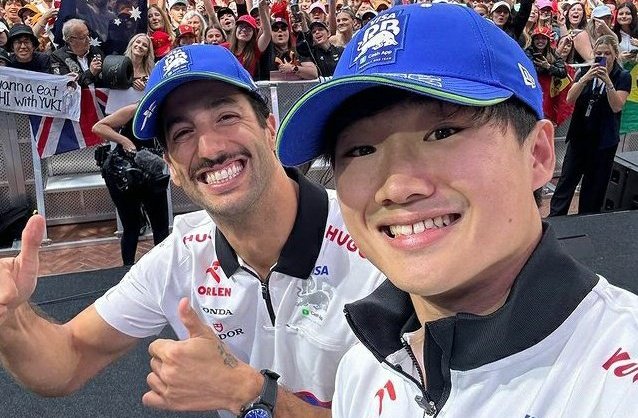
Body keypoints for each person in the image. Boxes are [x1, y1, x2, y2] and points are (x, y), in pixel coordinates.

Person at [276, 4, 638, 417]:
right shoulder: (362, 367)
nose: (397, 188)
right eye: (360, 150)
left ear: (537, 154)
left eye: (442, 133)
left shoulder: (620, 383)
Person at [0, 44, 383, 418]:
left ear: (270, 128)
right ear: (172, 167)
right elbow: (69, 360)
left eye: (226, 117)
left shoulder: (375, 241)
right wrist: (12, 320)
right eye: (182, 133)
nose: (210, 149)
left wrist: (248, 393)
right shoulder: (181, 257)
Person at [550, 34, 631, 215]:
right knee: (566, 181)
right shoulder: (585, 72)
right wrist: (585, 78)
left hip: (603, 141)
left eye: (607, 53)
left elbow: (617, 106)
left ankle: (587, 219)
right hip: (580, 136)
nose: (603, 57)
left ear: (615, 55)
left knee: (594, 186)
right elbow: (570, 98)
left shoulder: (622, 76)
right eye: (599, 53)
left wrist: (608, 82)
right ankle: (556, 218)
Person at [92, 104, 170, 266]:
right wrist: (124, 141)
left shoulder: (171, 111)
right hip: (124, 172)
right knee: (131, 226)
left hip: (153, 171)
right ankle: (127, 268)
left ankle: (163, 267)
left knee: (161, 226)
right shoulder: (136, 109)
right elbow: (98, 127)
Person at [49, 19, 104, 87]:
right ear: (70, 40)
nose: (88, 39)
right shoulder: (57, 57)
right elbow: (65, 85)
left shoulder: (95, 51)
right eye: (82, 37)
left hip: (100, 93)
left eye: (88, 35)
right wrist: (90, 73)